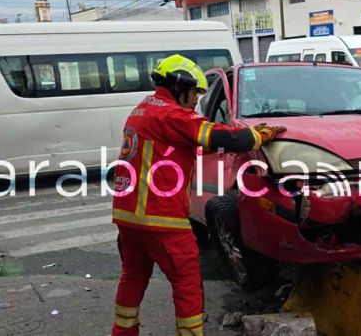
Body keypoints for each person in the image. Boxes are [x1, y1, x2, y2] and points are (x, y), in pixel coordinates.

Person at [110, 54, 286, 336]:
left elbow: (173, 149)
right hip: (161, 217)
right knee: (187, 282)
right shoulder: (172, 114)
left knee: (133, 277)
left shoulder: (143, 110)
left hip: (128, 217)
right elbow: (225, 137)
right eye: (194, 94)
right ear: (180, 87)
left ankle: (122, 332)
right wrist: (258, 135)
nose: (195, 101)